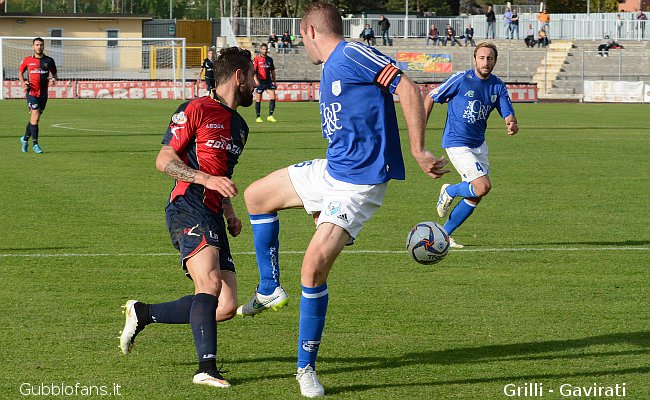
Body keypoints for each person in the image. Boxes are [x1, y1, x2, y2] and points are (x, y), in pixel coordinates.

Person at [236, 3, 448, 397]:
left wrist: (418, 149)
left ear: (311, 31)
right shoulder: (331, 68)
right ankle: (268, 288)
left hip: (359, 185)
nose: (303, 46)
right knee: (256, 196)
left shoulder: (351, 53)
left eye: (302, 38)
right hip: (331, 172)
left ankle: (305, 368)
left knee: (312, 268)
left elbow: (406, 87)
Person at [118, 47, 255, 389]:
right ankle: (206, 369)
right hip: (188, 204)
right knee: (207, 285)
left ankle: (143, 312)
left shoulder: (240, 127)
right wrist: (206, 180)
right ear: (238, 76)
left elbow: (220, 172)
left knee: (224, 306)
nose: (256, 82)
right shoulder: (195, 109)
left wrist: (230, 211)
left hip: (213, 211)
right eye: (252, 76)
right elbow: (164, 160)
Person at [424, 42, 518, 249]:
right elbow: (431, 96)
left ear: (495, 61)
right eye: (482, 58)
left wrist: (511, 123)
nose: (486, 62)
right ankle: (450, 190)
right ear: (474, 59)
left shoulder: (497, 85)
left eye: (490, 58)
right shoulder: (460, 79)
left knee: (477, 195)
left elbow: (507, 112)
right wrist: (420, 125)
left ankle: (444, 234)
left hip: (478, 144)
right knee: (482, 186)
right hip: (457, 143)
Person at [18, 37, 57, 154]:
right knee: (35, 116)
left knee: (35, 119)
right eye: (37, 45)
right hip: (32, 93)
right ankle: (35, 144)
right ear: (33, 46)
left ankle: (25, 139)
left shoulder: (49, 60)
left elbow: (55, 74)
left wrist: (54, 79)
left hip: (43, 94)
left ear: (43, 46)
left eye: (41, 45)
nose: (39, 47)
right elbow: (20, 73)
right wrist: (23, 82)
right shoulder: (27, 60)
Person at [253, 43, 277, 123]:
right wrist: (256, 80)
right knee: (258, 99)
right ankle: (258, 117)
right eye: (263, 49)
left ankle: (270, 116)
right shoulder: (256, 59)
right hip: (260, 81)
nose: (265, 51)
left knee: (273, 96)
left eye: (266, 49)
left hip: (268, 81)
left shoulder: (270, 59)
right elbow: (254, 71)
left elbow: (272, 71)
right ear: (260, 50)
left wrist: (274, 81)